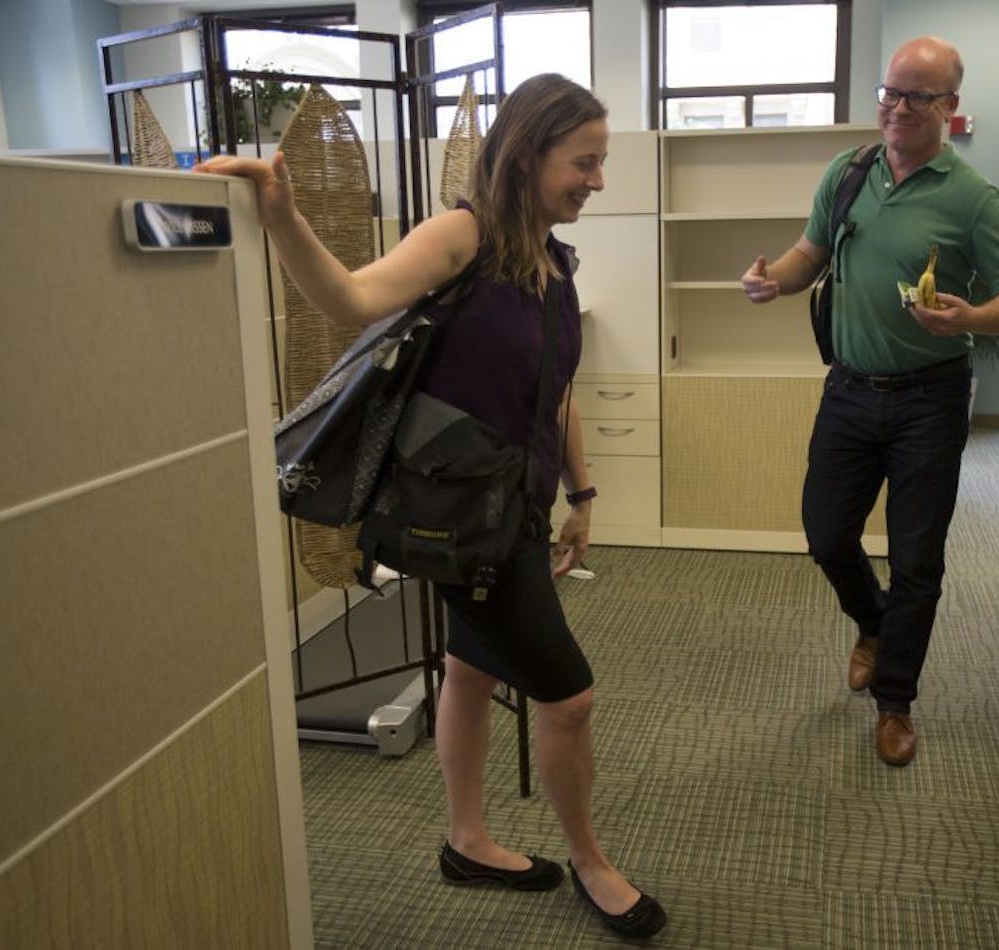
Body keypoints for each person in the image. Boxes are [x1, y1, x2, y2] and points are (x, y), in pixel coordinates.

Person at [197, 73, 666, 939]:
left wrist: (583, 495)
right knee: (569, 699)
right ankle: (592, 865)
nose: (598, 182)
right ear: (527, 155)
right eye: (586, 162)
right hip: (462, 522)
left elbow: (554, 394)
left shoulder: (553, 261)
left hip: (512, 510)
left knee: (472, 668)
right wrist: (282, 218)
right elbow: (352, 300)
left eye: (602, 164)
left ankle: (466, 840)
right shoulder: (463, 235)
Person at [740, 36, 999, 767]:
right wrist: (773, 279)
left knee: (917, 558)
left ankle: (896, 701)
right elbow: (811, 252)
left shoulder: (971, 197)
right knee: (826, 533)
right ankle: (873, 625)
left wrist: (969, 318)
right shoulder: (849, 172)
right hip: (847, 387)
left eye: (915, 97)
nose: (896, 109)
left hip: (929, 400)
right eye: (889, 92)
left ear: (949, 108)